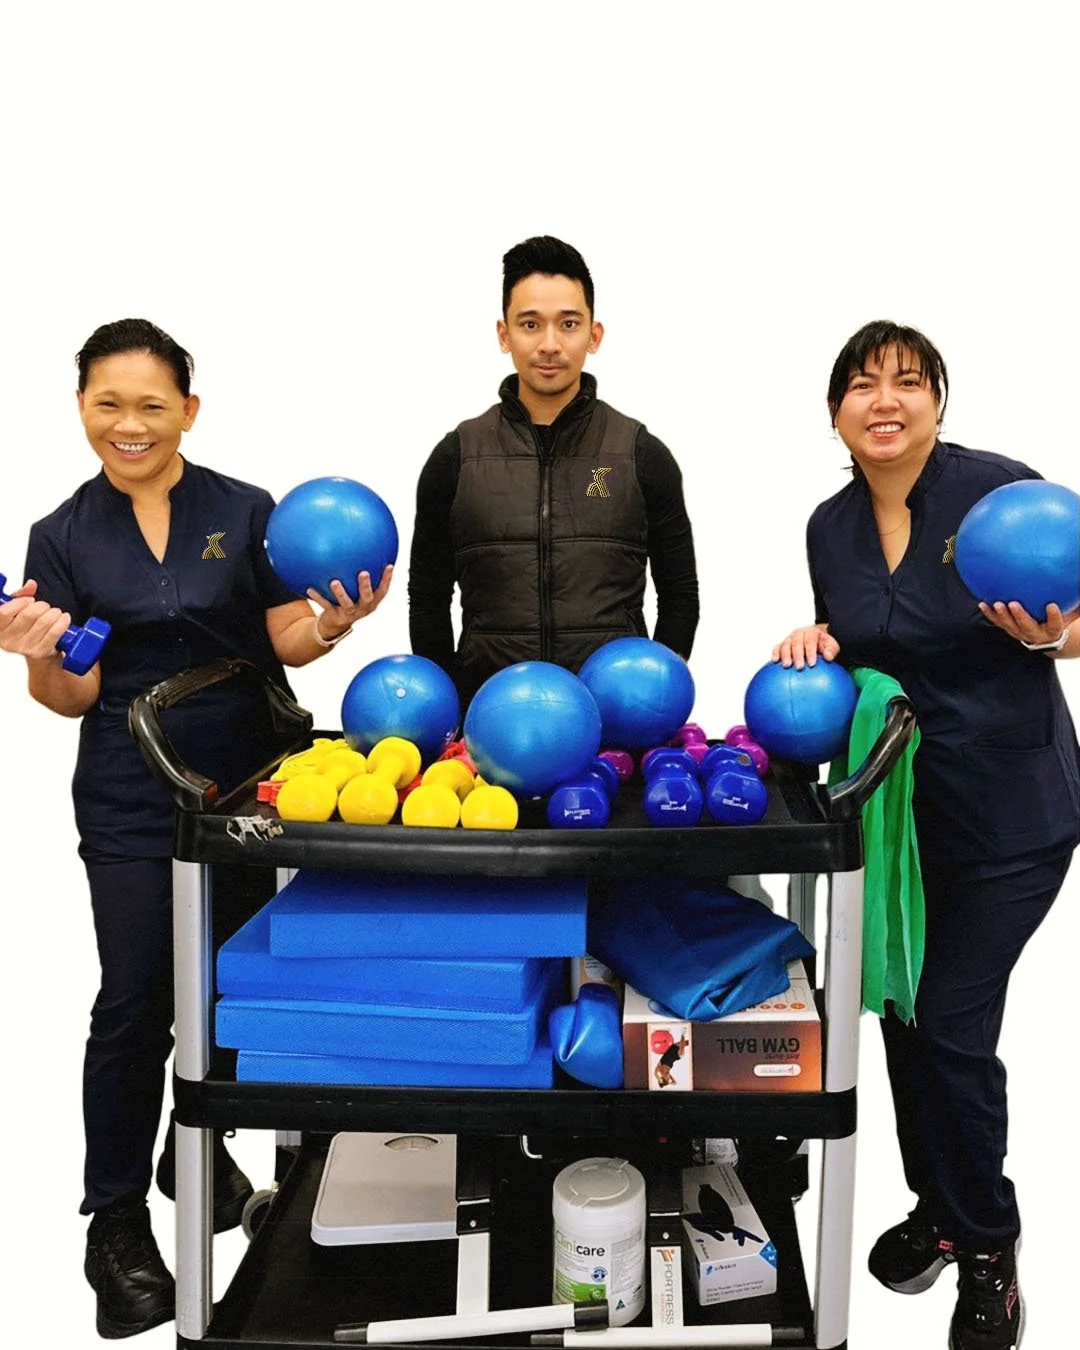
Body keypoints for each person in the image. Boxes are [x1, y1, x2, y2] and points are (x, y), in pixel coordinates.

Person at [0, 319, 392, 1340]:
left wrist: (333, 621)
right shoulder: (61, 534)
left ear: (189, 409)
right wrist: (35, 652)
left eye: (151, 404)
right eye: (107, 404)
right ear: (81, 408)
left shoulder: (244, 510)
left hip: (249, 793)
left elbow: (280, 639)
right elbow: (72, 693)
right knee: (137, 1002)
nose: (128, 424)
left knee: (232, 988)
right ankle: (116, 1226)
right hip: (132, 794)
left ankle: (204, 1152)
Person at [773, 320, 1079, 1350]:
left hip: (1012, 816)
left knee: (949, 1025)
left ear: (938, 402)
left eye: (909, 381)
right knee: (903, 1017)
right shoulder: (830, 527)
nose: (886, 400)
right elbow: (861, 657)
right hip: (902, 817)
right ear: (835, 413)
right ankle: (939, 1209)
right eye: (863, 385)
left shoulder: (1000, 494)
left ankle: (989, 1244)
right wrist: (816, 643)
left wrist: (1056, 635)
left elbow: (1076, 613)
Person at [407, 235, 698, 708]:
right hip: (492, 724)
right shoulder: (456, 457)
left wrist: (652, 696)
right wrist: (451, 709)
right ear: (504, 334)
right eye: (530, 324)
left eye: (568, 324)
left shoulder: (641, 454)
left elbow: (680, 593)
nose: (549, 344)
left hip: (613, 724)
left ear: (594, 335)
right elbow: (428, 597)